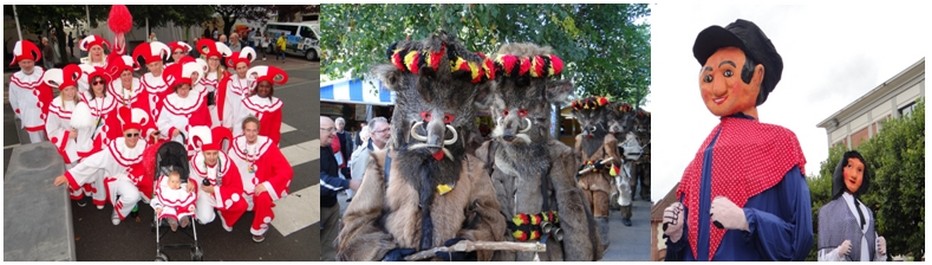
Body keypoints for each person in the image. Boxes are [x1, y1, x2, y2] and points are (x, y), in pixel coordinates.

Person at [662, 19, 812, 261]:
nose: (717, 89)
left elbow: (800, 239)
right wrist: (678, 236)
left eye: (728, 73)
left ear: (757, 75)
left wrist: (746, 220)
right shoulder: (695, 163)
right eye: (708, 78)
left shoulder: (781, 143)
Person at [53, 106, 152, 226]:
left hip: (137, 178)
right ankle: (118, 211)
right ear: (124, 134)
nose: (133, 138)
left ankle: (130, 203)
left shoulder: (144, 146)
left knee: (146, 192)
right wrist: (69, 176)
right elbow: (93, 161)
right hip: (117, 178)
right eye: (129, 135)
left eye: (136, 135)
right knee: (132, 195)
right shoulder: (116, 148)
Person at [227, 117, 294, 243]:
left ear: (258, 131)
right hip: (240, 182)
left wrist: (267, 185)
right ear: (243, 131)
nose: (251, 134)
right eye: (248, 130)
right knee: (227, 197)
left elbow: (286, 170)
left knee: (263, 197)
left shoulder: (267, 145)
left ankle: (259, 228)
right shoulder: (237, 143)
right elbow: (228, 166)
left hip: (260, 183)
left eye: (254, 130)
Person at [817, 151, 887, 261]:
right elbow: (822, 258)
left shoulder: (867, 211)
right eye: (850, 166)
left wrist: (880, 252)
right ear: (841, 170)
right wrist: (838, 253)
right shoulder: (827, 211)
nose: (854, 175)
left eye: (860, 170)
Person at [187, 126, 247, 231]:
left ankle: (225, 216)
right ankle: (200, 209)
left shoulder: (226, 163)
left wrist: (215, 190)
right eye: (208, 154)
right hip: (204, 193)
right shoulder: (196, 162)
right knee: (206, 219)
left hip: (222, 192)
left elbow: (236, 186)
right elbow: (192, 180)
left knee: (241, 204)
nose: (212, 157)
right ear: (203, 153)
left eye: (215, 153)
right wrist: (192, 184)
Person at [320, 116, 360, 260]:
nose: (334, 133)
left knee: (330, 243)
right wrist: (348, 184)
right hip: (320, 206)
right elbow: (321, 181)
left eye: (334, 129)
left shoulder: (327, 147)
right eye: (329, 129)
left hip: (332, 203)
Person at [156, 56, 211, 145]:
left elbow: (206, 120)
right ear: (176, 89)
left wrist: (201, 134)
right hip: (177, 142)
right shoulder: (170, 101)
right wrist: (171, 130)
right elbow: (161, 123)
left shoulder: (197, 98)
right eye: (181, 89)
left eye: (186, 88)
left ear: (189, 87)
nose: (183, 91)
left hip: (195, 142)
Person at [9, 40, 52, 143]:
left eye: (29, 62)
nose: (27, 65)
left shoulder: (42, 74)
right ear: (19, 63)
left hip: (49, 116)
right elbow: (13, 101)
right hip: (31, 119)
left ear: (33, 62)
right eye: (24, 62)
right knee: (38, 147)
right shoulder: (15, 81)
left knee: (54, 144)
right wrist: (24, 115)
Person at [232, 65, 286, 144]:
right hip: (247, 141)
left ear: (271, 88)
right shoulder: (248, 102)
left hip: (266, 143)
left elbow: (275, 128)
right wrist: (237, 140)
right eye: (261, 86)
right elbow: (239, 123)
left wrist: (273, 145)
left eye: (267, 87)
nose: (264, 89)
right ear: (257, 87)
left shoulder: (275, 105)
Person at [195, 38, 233, 128]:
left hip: (219, 113)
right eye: (211, 59)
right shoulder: (200, 74)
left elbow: (229, 99)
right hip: (203, 112)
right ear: (207, 60)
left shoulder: (225, 75)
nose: (214, 62)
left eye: (216, 59)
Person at [134, 41, 173, 121]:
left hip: (168, 119)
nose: (154, 68)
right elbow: (142, 101)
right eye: (151, 66)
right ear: (147, 67)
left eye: (156, 64)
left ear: (161, 63)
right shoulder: (144, 79)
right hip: (150, 119)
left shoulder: (170, 77)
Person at [220, 47, 256, 130]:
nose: (242, 70)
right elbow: (228, 104)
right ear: (235, 69)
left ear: (247, 67)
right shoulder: (231, 82)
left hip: (252, 121)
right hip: (236, 121)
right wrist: (228, 124)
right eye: (239, 68)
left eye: (244, 67)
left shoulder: (254, 80)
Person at [348, 117, 388, 181]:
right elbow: (358, 183)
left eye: (389, 129)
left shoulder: (393, 152)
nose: (388, 133)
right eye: (383, 131)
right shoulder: (363, 155)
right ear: (372, 134)